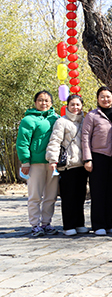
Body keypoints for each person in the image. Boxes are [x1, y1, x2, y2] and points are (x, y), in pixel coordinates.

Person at [82, 87, 112, 236]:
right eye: (102, 97)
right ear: (98, 99)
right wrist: (87, 159)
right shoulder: (92, 115)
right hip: (98, 157)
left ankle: (110, 222)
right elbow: (85, 137)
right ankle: (98, 224)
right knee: (98, 192)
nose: (106, 99)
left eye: (108, 96)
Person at [18, 90, 59, 236]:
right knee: (35, 195)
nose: (44, 103)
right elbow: (22, 142)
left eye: (47, 100)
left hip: (52, 163)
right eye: (40, 100)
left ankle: (46, 223)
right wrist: (25, 161)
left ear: (51, 103)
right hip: (35, 163)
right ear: (35, 102)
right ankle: (35, 224)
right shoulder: (28, 120)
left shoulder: (56, 118)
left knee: (51, 195)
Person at [46, 94, 87, 236]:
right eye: (72, 104)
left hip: (82, 165)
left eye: (78, 104)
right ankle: (69, 225)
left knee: (80, 196)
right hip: (68, 165)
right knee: (68, 196)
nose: (75, 107)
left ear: (82, 106)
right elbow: (55, 141)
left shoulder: (85, 121)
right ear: (67, 106)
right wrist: (52, 159)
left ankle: (79, 223)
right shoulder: (61, 121)